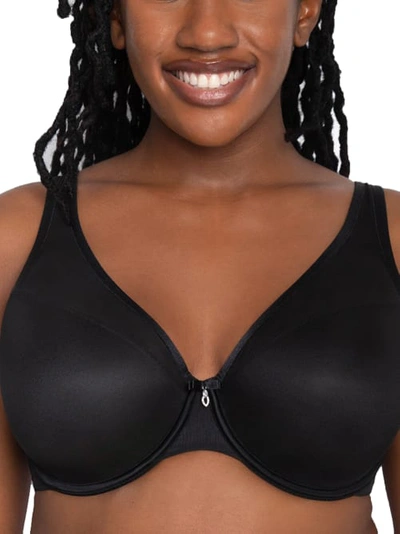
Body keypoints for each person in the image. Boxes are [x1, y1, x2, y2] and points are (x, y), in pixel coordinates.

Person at [0, 0, 399, 532]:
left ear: (305, 12)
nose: (206, 33)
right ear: (116, 17)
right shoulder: (15, 240)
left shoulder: (393, 241)